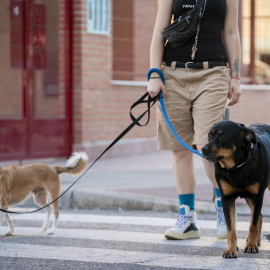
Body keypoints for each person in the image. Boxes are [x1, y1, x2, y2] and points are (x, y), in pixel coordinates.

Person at [147, 0, 241, 240]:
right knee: (179, 149)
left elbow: (231, 32)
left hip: (213, 73)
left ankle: (224, 209)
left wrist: (236, 76)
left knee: (208, 146)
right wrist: (154, 73)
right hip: (173, 72)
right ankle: (187, 218)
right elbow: (159, 32)